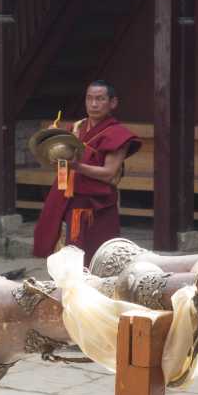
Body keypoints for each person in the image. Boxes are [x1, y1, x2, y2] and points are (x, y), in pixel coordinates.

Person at [32, 81, 141, 265]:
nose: (94, 104)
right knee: (64, 254)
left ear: (112, 103)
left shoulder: (118, 134)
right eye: (89, 98)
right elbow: (60, 165)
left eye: (100, 99)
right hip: (65, 199)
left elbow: (108, 173)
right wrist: (50, 143)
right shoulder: (75, 129)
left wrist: (77, 166)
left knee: (98, 256)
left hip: (96, 206)